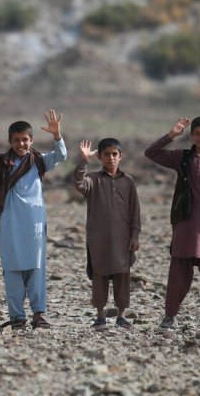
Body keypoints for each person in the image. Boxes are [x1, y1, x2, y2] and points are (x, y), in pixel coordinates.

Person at [0, 110, 67, 329]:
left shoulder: (39, 161)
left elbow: (61, 156)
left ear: (31, 140)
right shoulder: (2, 162)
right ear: (9, 141)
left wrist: (57, 135)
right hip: (10, 223)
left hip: (34, 223)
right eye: (16, 140)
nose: (21, 144)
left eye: (25, 140)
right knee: (12, 267)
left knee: (37, 267)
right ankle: (17, 316)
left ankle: (38, 314)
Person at [144, 117, 200, 328]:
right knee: (178, 273)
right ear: (191, 136)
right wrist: (171, 135)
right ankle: (170, 316)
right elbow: (151, 153)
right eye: (198, 133)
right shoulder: (181, 158)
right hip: (185, 224)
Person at [74, 138, 141, 328]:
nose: (111, 158)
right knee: (99, 276)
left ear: (120, 156)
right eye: (106, 154)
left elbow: (135, 211)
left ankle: (121, 315)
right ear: (100, 157)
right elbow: (78, 184)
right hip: (98, 239)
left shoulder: (128, 182)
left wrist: (135, 235)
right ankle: (100, 316)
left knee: (122, 276)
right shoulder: (93, 180)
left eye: (114, 154)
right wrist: (83, 162)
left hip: (122, 239)